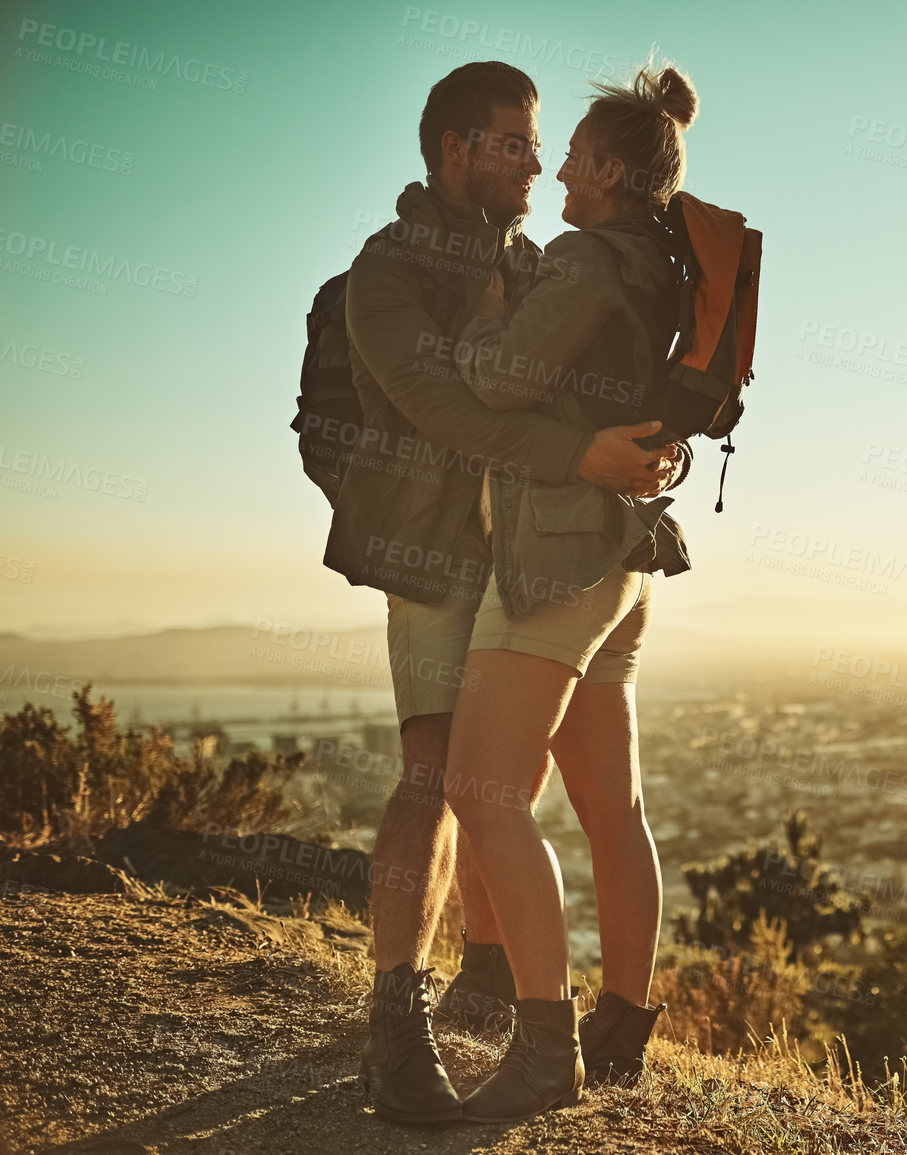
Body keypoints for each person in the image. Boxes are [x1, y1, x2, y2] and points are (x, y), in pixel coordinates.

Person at [334, 61, 688, 1124]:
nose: (539, 162)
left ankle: (529, 1012)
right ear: (455, 150)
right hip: (447, 554)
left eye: (550, 146)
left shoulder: (551, 259)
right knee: (446, 778)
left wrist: (624, 450)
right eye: (517, 144)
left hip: (547, 561)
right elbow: (447, 411)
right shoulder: (388, 272)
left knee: (500, 789)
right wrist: (586, 456)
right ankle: (408, 1020)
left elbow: (548, 373)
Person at [440, 61, 702, 1124]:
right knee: (613, 810)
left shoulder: (588, 259)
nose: (554, 180)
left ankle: (545, 1048)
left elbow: (498, 380)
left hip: (556, 561)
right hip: (630, 566)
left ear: (602, 166)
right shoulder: (663, 263)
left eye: (571, 163)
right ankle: (622, 1030)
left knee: (482, 790)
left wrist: (486, 318)